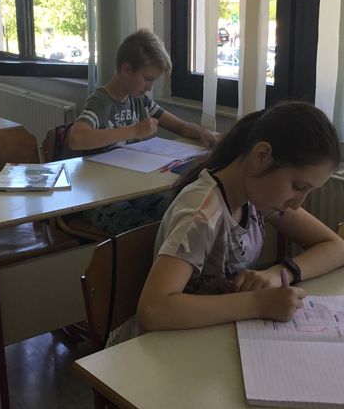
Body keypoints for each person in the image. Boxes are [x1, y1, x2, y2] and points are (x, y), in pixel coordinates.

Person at [124, 101, 344, 340]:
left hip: (214, 334)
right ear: (262, 156)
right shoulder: (202, 212)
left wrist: (279, 273)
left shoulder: (258, 196)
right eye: (298, 187)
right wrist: (257, 303)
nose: (297, 204)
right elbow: (154, 310)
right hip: (168, 344)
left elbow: (336, 247)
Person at [67, 28, 217, 234]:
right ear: (126, 69)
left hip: (134, 187)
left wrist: (202, 133)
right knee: (144, 229)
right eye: (147, 79)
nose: (149, 88)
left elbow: (180, 126)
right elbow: (76, 138)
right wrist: (133, 131)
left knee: (177, 214)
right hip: (101, 195)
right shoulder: (100, 102)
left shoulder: (140, 100)